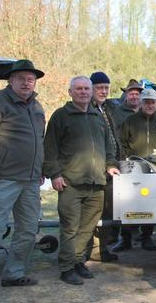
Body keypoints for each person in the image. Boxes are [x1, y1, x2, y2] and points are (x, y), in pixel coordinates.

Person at [0, 60, 46, 302]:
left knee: (27, 229)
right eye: (21, 77)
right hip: (1, 179)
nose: (26, 82)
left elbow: (38, 140)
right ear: (10, 80)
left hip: (31, 180)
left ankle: (14, 273)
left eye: (30, 78)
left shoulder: (36, 106)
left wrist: (39, 168)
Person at [43, 76, 120, 285]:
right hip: (71, 183)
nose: (84, 92)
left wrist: (110, 165)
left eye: (87, 88)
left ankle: (78, 261)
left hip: (96, 183)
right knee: (70, 227)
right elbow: (49, 148)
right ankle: (66, 268)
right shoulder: (61, 116)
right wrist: (55, 174)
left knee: (87, 227)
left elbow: (109, 146)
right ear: (70, 92)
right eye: (79, 89)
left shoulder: (97, 116)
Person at [114, 88, 156, 252]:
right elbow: (121, 143)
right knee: (127, 203)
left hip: (155, 168)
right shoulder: (130, 121)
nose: (149, 105)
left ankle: (147, 237)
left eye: (152, 102)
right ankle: (125, 239)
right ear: (141, 103)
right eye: (146, 102)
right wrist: (128, 159)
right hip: (133, 167)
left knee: (151, 204)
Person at [84, 71, 124, 263]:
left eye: (106, 88)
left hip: (111, 166)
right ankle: (89, 249)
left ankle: (101, 248)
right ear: (91, 89)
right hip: (95, 168)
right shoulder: (86, 108)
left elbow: (114, 136)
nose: (103, 91)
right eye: (99, 88)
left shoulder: (108, 108)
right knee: (93, 211)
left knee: (107, 210)